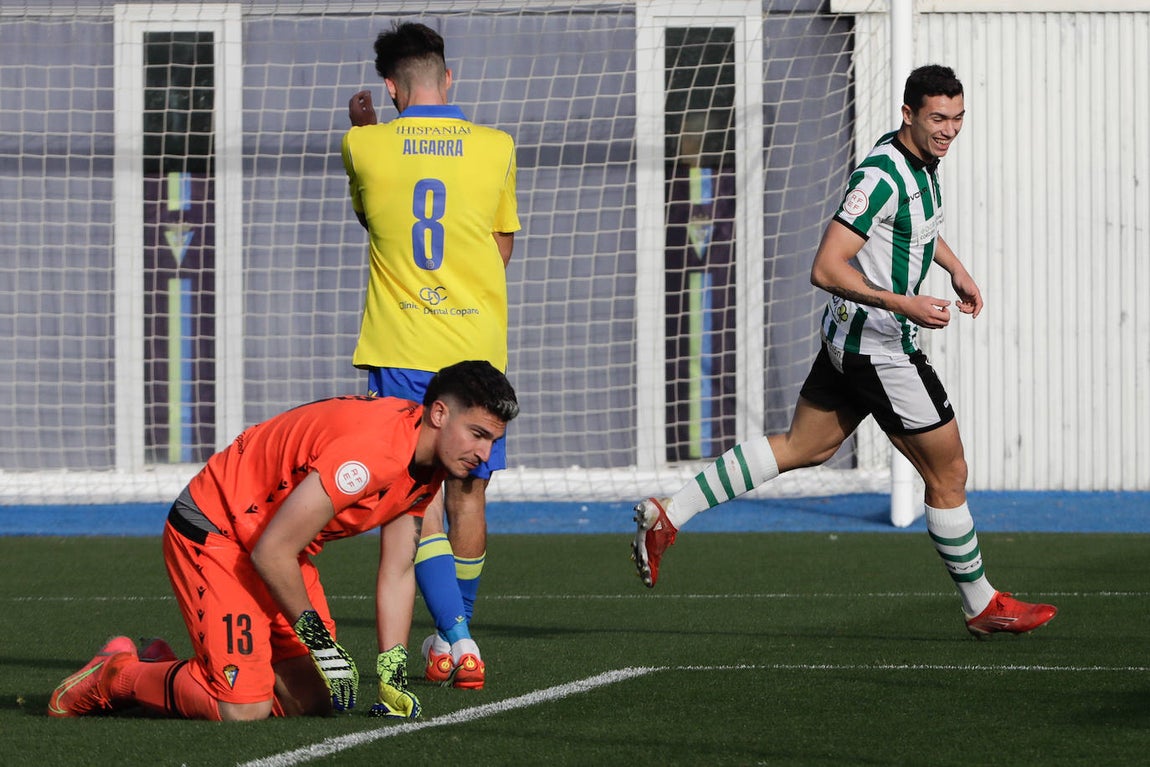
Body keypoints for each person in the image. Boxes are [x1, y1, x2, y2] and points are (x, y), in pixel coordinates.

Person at [631, 65, 1058, 638]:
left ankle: (669, 514)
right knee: (949, 470)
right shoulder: (882, 172)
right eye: (938, 118)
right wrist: (902, 304)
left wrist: (954, 269)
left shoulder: (918, 162)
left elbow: (914, 229)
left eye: (957, 119)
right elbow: (825, 266)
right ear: (908, 114)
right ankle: (981, 606)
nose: (949, 130)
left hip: (848, 339)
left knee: (803, 445)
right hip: (879, 348)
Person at [47, 360, 518, 721]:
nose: (483, 454)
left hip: (276, 547)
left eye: (492, 441)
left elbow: (397, 567)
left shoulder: (430, 462)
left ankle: (172, 670)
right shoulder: (373, 454)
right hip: (216, 532)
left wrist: (391, 670)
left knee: (314, 700)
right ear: (438, 413)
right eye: (477, 434)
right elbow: (271, 551)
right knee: (243, 708)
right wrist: (323, 645)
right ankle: (117, 675)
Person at [341, 21, 520, 690]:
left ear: (391, 87)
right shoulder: (497, 147)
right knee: (469, 491)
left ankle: (456, 636)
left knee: (416, 503)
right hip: (473, 347)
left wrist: (365, 129)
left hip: (401, 346)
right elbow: (500, 252)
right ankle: (454, 637)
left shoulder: (364, 146)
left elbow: (376, 222)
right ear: (449, 79)